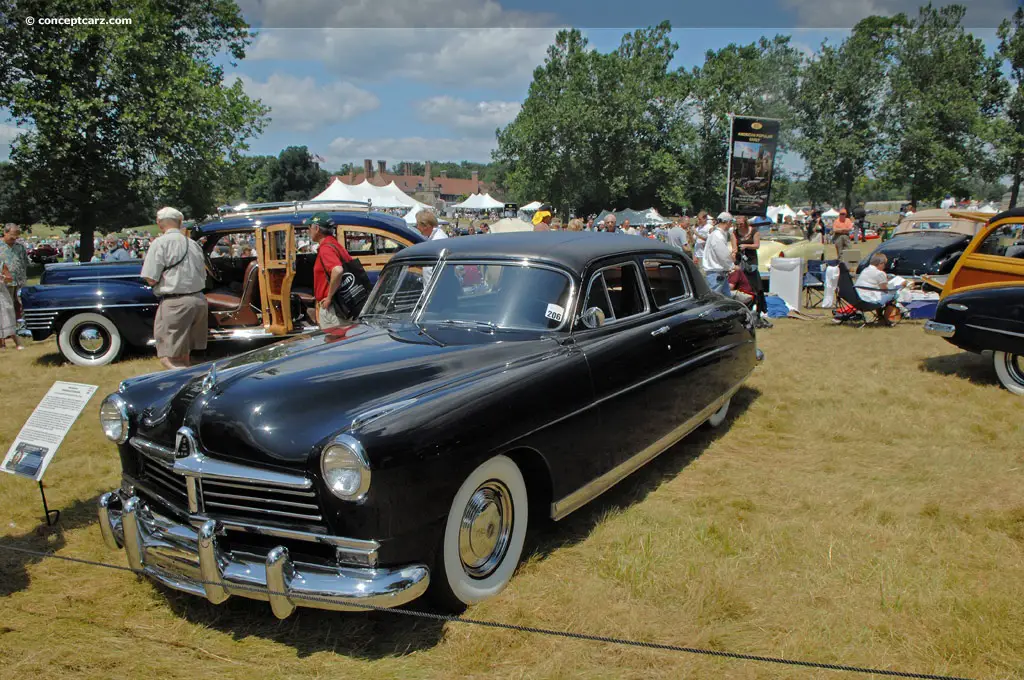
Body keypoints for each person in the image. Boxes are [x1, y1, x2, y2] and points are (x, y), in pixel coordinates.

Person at [140, 207, 208, 369]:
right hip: (198, 301)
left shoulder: (159, 244)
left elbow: (150, 278)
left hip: (175, 304)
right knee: (184, 357)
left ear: (159, 223)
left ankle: (191, 383)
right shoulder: (193, 244)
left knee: (169, 359)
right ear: (180, 222)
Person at [306, 212, 359, 330]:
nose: (308, 231)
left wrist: (329, 297)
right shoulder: (335, 245)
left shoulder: (325, 248)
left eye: (309, 228)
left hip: (334, 307)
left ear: (317, 228)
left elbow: (337, 270)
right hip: (344, 304)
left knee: (334, 344)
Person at [731, 216, 770, 326]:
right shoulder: (734, 233)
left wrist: (746, 246)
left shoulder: (754, 231)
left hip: (751, 262)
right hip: (740, 262)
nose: (739, 226)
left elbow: (757, 245)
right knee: (741, 287)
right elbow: (734, 248)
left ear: (746, 223)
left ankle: (758, 311)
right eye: (738, 224)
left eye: (741, 224)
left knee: (755, 287)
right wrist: (733, 256)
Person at [0, 224, 29, 323]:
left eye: (17, 235)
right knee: (6, 305)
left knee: (23, 302)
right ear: (5, 233)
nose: (15, 237)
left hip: (20, 281)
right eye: (13, 234)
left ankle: (23, 324)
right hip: (5, 282)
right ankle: (8, 326)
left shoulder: (20, 247)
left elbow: (25, 262)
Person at [702, 212, 735, 296]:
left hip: (719, 273)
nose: (731, 225)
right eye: (731, 223)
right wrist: (732, 266)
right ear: (727, 222)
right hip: (716, 273)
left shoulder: (717, 234)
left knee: (726, 297)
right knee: (715, 300)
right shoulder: (718, 235)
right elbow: (723, 255)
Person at [0, 263, 22, 350]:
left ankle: (17, 342)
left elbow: (10, 279)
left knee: (7, 317)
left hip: (2, 294)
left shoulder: (2, 265)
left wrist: (3, 278)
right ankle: (2, 344)